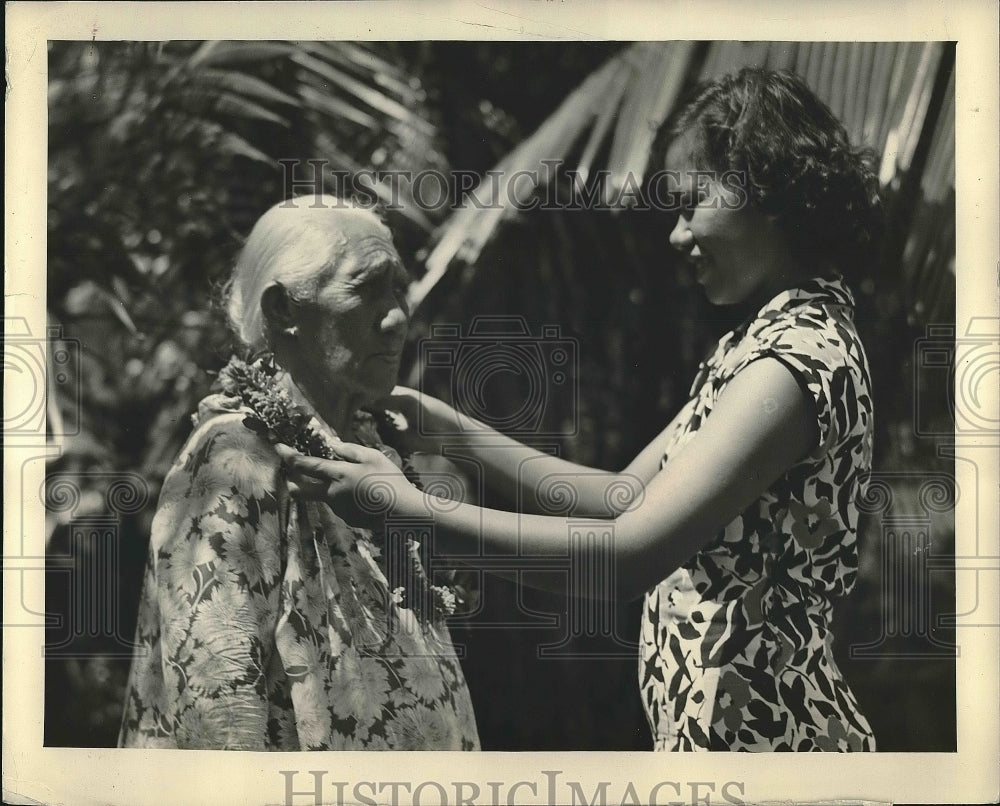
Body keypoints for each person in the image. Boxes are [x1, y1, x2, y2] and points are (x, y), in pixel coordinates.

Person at [278, 67, 882, 752]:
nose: (677, 235)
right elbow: (623, 496)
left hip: (779, 758)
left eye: (692, 204)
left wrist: (408, 512)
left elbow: (625, 561)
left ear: (769, 192)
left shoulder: (793, 363)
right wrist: (449, 430)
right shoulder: (759, 346)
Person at [118, 198, 480, 750]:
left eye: (398, 289)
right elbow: (220, 713)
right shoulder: (236, 455)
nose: (398, 317)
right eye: (366, 289)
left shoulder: (371, 443)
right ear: (284, 310)